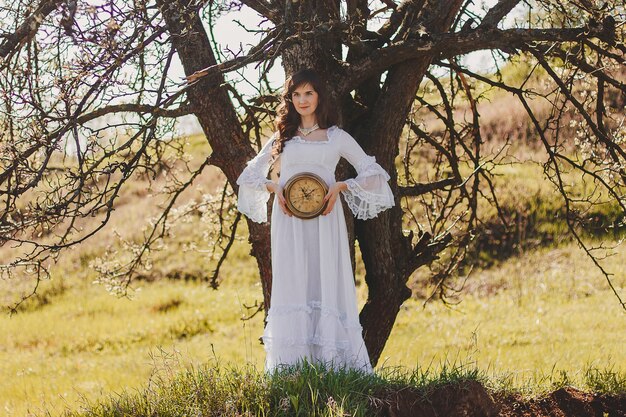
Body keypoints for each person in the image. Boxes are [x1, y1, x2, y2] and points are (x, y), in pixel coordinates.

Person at [236, 68, 394, 373]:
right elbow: (249, 176)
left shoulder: (336, 137)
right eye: (296, 94)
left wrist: (340, 186)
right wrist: (274, 187)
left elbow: (375, 176)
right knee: (294, 281)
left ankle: (334, 370)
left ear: (319, 96)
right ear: (290, 99)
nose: (302, 100)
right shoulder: (283, 138)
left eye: (308, 93)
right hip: (288, 222)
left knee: (325, 280)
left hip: (325, 220)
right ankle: (292, 372)